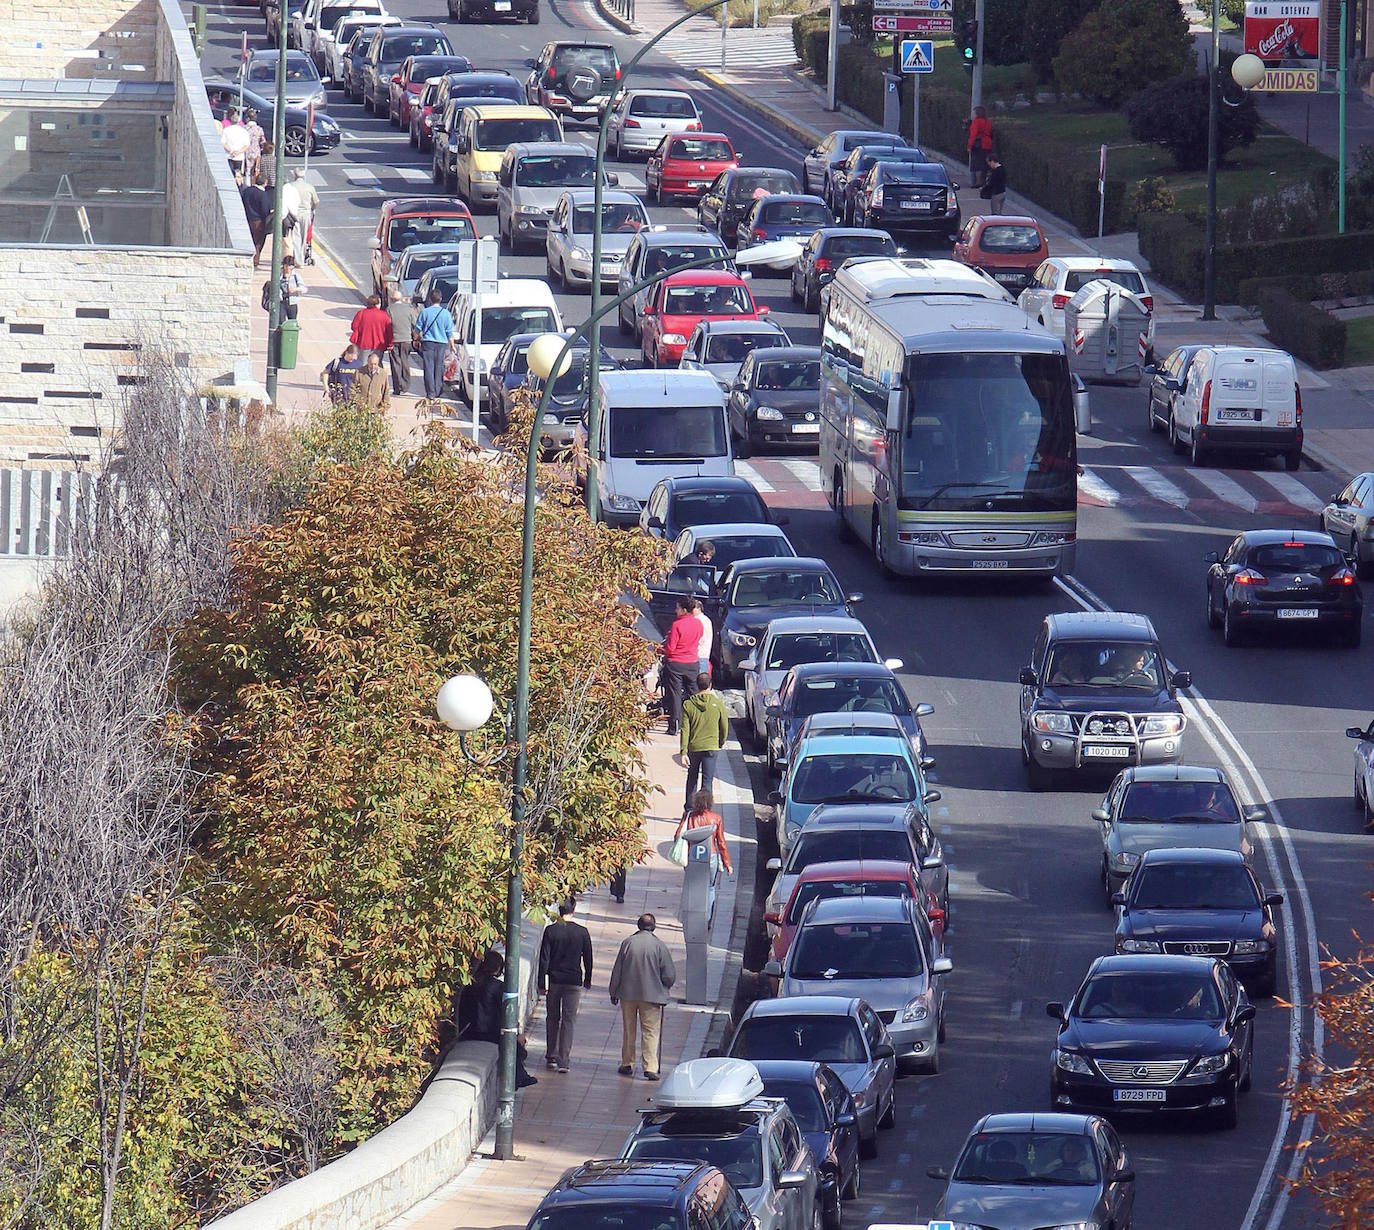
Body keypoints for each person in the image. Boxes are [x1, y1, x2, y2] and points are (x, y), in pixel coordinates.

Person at [608, 913, 677, 1080]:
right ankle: (650, 1067)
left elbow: (617, 970)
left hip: (628, 994)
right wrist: (664, 987)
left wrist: (613, 991)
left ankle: (627, 1063)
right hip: (652, 996)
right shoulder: (659, 946)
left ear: (638, 926)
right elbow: (669, 975)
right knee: (651, 1031)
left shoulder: (628, 943)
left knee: (628, 1029)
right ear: (653, 927)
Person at [462, 948, 538, 1087]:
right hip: (489, 1033)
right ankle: (518, 1079)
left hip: (469, 1032)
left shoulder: (469, 985)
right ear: (498, 968)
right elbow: (507, 1013)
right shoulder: (498, 987)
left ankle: (519, 1078)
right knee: (516, 1048)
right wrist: (518, 1033)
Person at [538, 897, 593, 1073]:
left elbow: (544, 959)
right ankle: (564, 1060)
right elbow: (588, 958)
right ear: (574, 909)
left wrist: (541, 982)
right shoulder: (582, 932)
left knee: (552, 1018)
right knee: (569, 1020)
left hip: (554, 980)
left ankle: (551, 1055)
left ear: (559, 910)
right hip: (573, 981)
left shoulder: (551, 931)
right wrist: (587, 979)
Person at [678, 672, 728, 814]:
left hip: (694, 747)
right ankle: (705, 810)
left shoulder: (688, 704)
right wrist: (721, 741)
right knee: (707, 780)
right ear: (710, 685)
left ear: (696, 685)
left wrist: (683, 751)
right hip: (712, 746)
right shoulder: (717, 704)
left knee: (692, 777)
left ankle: (689, 809)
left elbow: (685, 729)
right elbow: (724, 725)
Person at [661, 598, 703, 738]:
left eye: (678, 608)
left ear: (684, 610)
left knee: (675, 695)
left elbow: (671, 647)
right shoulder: (699, 624)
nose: (675, 611)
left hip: (676, 663)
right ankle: (699, 722)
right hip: (692, 662)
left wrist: (663, 651)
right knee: (694, 693)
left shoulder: (677, 625)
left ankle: (675, 725)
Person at [674, 790, 732, 878]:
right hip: (710, 854)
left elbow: (677, 836)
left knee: (691, 884)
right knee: (710, 887)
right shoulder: (716, 818)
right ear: (710, 802)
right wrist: (727, 864)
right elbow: (721, 843)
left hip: (692, 855)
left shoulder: (688, 816)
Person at [414, 289, 455, 400]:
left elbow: (417, 329)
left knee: (428, 367)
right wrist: (453, 345)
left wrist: (415, 339)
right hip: (441, 343)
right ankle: (438, 390)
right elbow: (449, 332)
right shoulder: (446, 314)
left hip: (428, 343)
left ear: (430, 300)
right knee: (439, 366)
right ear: (440, 299)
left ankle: (430, 392)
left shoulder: (425, 312)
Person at [240, 173, 273, 269]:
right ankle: (255, 261)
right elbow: (264, 210)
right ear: (265, 183)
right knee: (258, 242)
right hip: (258, 221)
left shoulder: (247, 191)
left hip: (247, 219)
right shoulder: (262, 194)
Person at [388, 292, 417, 395]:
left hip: (394, 339)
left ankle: (397, 387)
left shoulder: (389, 309)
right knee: (405, 361)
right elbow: (415, 324)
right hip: (406, 339)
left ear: (392, 299)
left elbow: (387, 325)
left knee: (396, 363)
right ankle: (405, 386)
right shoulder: (409, 309)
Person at [350, 293, 395, 358]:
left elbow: (354, 326)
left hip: (363, 343)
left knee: (363, 364)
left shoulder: (361, 313)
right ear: (377, 304)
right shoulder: (384, 315)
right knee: (377, 364)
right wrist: (390, 343)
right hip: (379, 344)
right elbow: (389, 331)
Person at [291, 168, 320, 265]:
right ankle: (302, 256)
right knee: (304, 237)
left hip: (294, 214)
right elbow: (316, 201)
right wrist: (311, 208)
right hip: (305, 214)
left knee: (295, 237)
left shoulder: (291, 186)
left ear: (295, 175)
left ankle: (296, 257)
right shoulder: (309, 187)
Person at [967, 105, 993, 189]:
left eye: (974, 113)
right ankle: (984, 181)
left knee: (977, 163)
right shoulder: (988, 121)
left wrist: (969, 146)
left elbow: (973, 135)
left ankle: (979, 182)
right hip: (988, 143)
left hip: (979, 144)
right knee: (985, 163)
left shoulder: (976, 122)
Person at [221, 109, 251, 178]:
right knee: (238, 175)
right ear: (239, 121)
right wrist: (238, 152)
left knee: (229, 175)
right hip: (239, 156)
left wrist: (231, 151)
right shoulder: (244, 131)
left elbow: (223, 143)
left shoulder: (226, 130)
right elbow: (247, 145)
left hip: (229, 155)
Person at [243, 108, 266, 183]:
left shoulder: (244, 128)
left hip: (246, 151)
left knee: (247, 170)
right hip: (256, 151)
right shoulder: (259, 129)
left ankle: (247, 184)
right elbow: (263, 142)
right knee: (255, 170)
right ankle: (254, 183)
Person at [279, 256, 305, 321]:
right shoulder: (279, 274)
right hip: (281, 301)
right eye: (286, 265)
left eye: (290, 266)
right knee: (281, 322)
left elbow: (304, 288)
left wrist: (295, 289)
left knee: (292, 322)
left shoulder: (296, 275)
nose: (288, 268)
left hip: (292, 302)